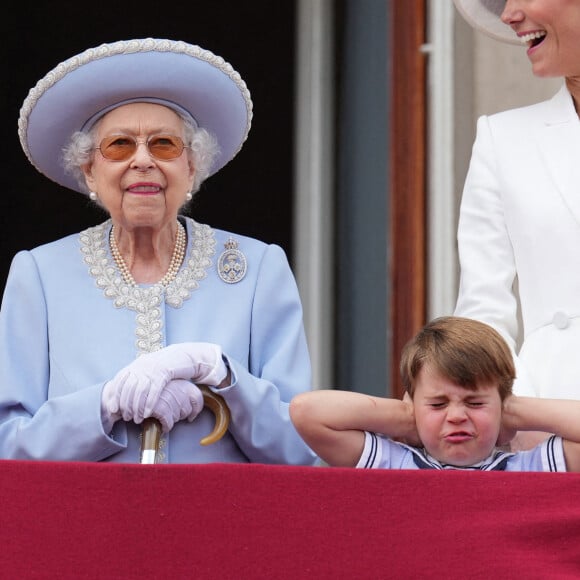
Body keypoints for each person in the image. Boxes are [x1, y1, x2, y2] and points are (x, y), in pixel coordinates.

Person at [0, 38, 317, 465]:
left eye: (164, 144)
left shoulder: (259, 269)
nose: (143, 161)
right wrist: (104, 405)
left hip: (223, 522)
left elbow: (299, 448)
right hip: (84, 524)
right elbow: (8, 444)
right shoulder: (39, 274)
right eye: (120, 146)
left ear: (192, 168)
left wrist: (221, 376)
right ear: (90, 171)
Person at [451, 0, 580, 448]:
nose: (509, 15)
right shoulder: (504, 139)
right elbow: (483, 312)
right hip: (547, 428)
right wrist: (513, 416)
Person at [290, 316, 580, 472]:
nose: (456, 416)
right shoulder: (395, 465)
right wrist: (407, 418)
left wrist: (512, 412)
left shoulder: (527, 468)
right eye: (438, 404)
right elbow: (307, 412)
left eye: (475, 402)